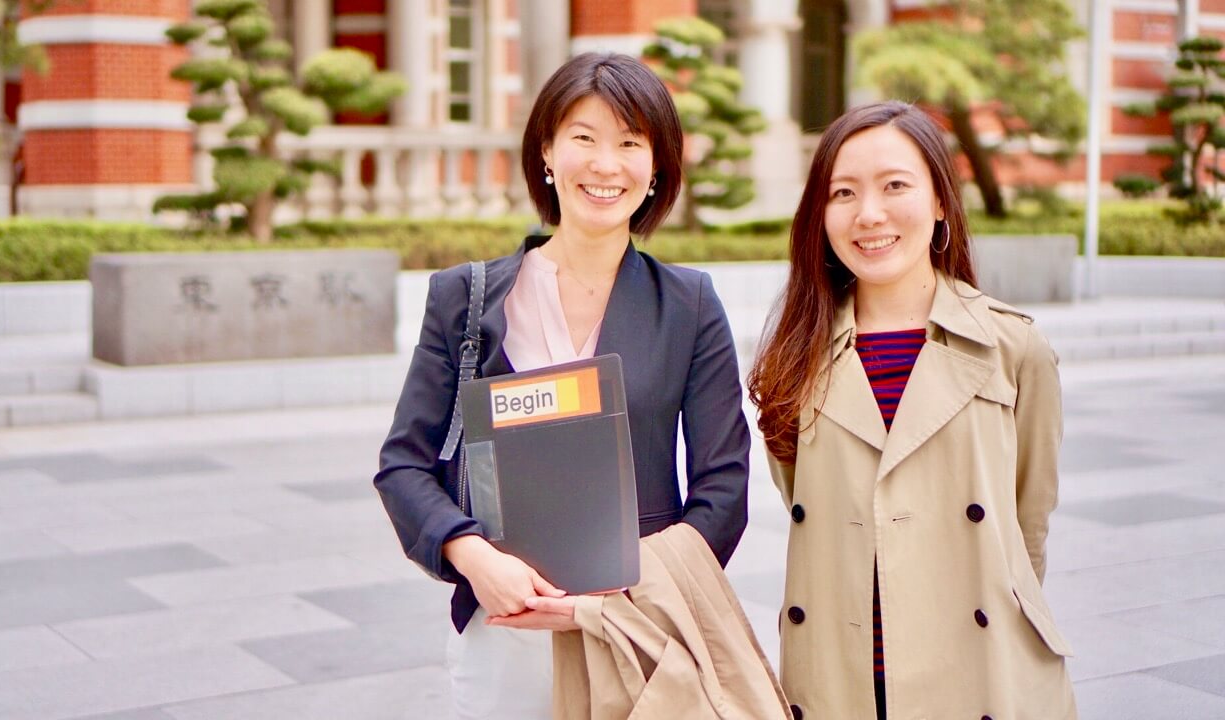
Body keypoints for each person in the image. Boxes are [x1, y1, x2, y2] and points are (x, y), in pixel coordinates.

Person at [374, 52, 750, 720]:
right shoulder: (465, 299)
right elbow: (404, 465)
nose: (606, 165)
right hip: (503, 631)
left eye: (630, 143)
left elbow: (722, 490)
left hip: (636, 632)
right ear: (546, 151)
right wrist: (473, 557)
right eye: (584, 138)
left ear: (657, 167)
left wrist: (617, 598)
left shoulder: (689, 304)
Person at [748, 101, 1077, 720]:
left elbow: (1026, 525)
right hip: (840, 678)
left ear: (940, 202)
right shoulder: (795, 358)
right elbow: (811, 505)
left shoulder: (1012, 347)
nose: (868, 215)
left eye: (895, 185)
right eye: (842, 193)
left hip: (982, 672)